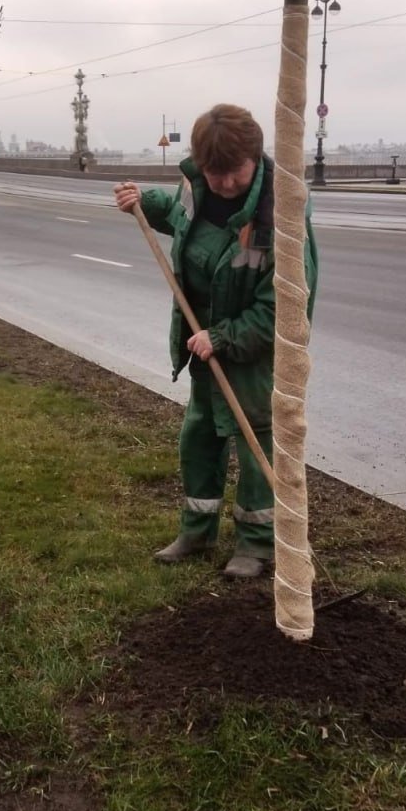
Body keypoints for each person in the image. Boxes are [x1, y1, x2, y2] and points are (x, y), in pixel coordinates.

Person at [113, 103, 318, 579]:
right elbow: (181, 218)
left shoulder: (280, 215)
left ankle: (258, 543)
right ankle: (196, 530)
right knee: (200, 436)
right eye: (214, 172)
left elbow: (285, 310)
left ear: (257, 157)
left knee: (255, 442)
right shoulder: (198, 184)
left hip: (254, 351)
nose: (224, 183)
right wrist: (143, 200)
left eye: (234, 173)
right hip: (202, 340)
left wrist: (224, 336)